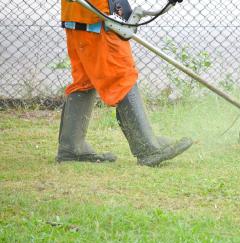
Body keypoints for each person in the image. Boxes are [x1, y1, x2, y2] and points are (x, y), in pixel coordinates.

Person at [57, 0, 193, 166]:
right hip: (98, 17)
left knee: (84, 80)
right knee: (122, 76)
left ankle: (71, 147)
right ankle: (147, 147)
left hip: (77, 17)